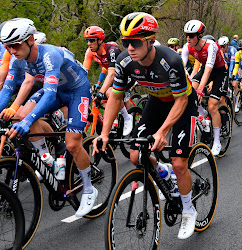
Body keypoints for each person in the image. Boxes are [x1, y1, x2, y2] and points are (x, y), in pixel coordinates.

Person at [92, 12, 198, 240]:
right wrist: (103, 134)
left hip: (183, 102)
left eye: (136, 42)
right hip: (157, 101)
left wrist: (162, 133)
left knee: (179, 164)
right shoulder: (123, 61)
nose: (130, 47)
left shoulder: (170, 60)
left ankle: (188, 209)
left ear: (150, 40)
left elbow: (180, 101)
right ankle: (163, 173)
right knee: (135, 156)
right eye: (125, 41)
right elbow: (115, 98)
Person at [0, 18, 97, 217]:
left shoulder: (49, 55)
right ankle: (49, 160)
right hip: (55, 90)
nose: (12, 51)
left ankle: (89, 188)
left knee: (72, 143)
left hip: (76, 91)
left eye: (16, 45)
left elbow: (50, 94)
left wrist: (28, 122)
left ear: (30, 40)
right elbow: (7, 90)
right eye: (7, 47)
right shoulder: (17, 61)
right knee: (19, 116)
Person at [181, 19, 228, 156]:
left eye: (191, 35)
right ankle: (202, 114)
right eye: (186, 35)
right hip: (205, 70)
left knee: (213, 106)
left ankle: (217, 141)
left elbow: (208, 70)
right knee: (189, 93)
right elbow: (181, 67)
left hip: (219, 71)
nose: (188, 38)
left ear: (199, 35)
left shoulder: (211, 46)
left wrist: (201, 89)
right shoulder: (187, 46)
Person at [82, 26, 133, 136]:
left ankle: (127, 117)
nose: (89, 44)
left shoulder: (112, 50)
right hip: (115, 75)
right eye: (87, 40)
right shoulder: (90, 52)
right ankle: (112, 128)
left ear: (100, 40)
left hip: (128, 73)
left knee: (110, 92)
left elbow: (111, 74)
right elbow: (82, 73)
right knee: (104, 103)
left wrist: (101, 92)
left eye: (91, 40)